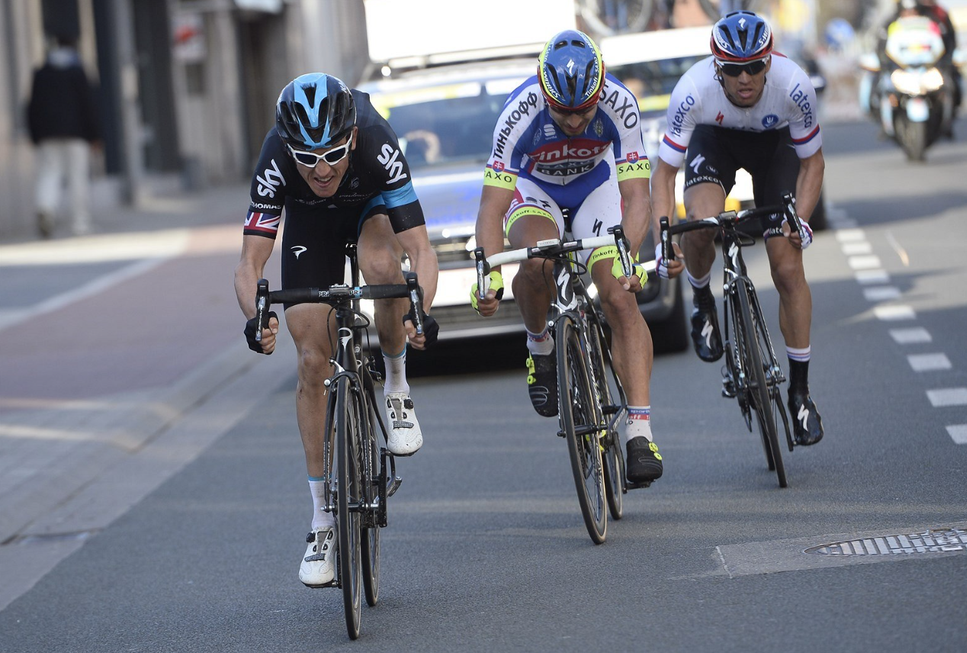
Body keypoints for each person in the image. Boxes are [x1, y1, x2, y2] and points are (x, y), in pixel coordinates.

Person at [234, 73, 439, 588]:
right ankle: (323, 519)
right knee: (310, 361)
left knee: (382, 266)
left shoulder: (375, 139)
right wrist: (255, 317)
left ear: (351, 136)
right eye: (307, 158)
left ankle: (395, 387)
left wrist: (420, 309)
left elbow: (422, 250)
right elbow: (249, 264)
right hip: (309, 223)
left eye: (331, 153)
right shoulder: (277, 157)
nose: (321, 169)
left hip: (369, 208)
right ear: (290, 148)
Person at [473, 29, 684, 486]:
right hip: (536, 193)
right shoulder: (519, 112)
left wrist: (627, 259)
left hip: (596, 190)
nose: (573, 121)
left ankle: (639, 431)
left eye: (583, 110)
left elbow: (637, 198)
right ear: (543, 93)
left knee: (620, 299)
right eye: (563, 111)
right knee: (536, 263)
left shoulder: (620, 103)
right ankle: (539, 346)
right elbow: (492, 208)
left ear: (600, 89)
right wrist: (486, 273)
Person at [649, 11, 825, 446]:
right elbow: (663, 175)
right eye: (732, 68)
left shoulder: (794, 85)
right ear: (717, 66)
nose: (744, 78)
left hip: (776, 147)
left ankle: (800, 392)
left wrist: (799, 220)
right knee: (701, 226)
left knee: (786, 267)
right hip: (716, 142)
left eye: (754, 66)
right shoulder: (693, 91)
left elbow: (812, 163)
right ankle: (703, 301)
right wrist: (663, 239)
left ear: (769, 62)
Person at [26, 35, 101, 238]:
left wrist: (35, 136)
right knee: (77, 177)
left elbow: (32, 106)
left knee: (49, 173)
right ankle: (80, 223)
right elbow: (89, 106)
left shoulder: (41, 73)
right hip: (77, 134)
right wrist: (95, 135)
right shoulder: (78, 72)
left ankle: (46, 208)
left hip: (47, 134)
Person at [875, 0, 960, 137]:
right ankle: (885, 124)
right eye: (906, 12)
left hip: (928, 68)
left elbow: (947, 42)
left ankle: (948, 122)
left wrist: (946, 62)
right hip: (901, 70)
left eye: (913, 11)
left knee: (952, 83)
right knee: (880, 85)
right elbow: (881, 47)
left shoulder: (933, 19)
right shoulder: (892, 23)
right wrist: (885, 65)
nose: (910, 15)